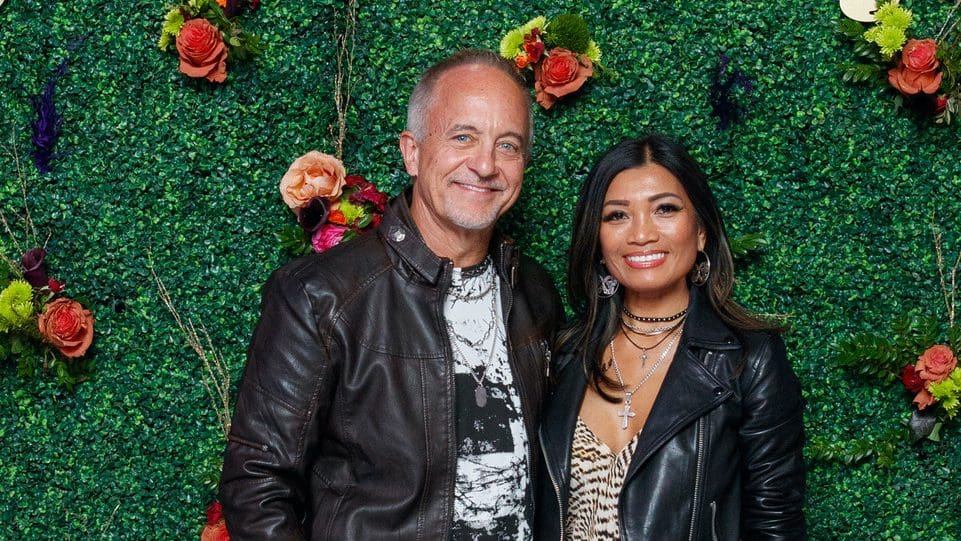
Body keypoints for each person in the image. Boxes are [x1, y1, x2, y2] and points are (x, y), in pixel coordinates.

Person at [220, 49, 562, 539]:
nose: (486, 164)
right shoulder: (321, 296)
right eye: (462, 137)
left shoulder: (535, 292)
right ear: (412, 152)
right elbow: (257, 484)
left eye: (507, 145)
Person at [537, 135, 806, 540]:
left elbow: (776, 524)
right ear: (597, 239)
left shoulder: (749, 359)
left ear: (700, 232)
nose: (641, 233)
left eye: (665, 209)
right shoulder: (562, 353)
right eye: (617, 215)